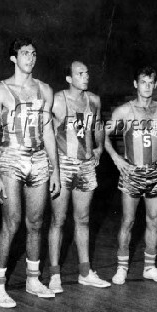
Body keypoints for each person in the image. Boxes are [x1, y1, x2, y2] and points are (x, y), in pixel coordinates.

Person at [0, 37, 60, 308]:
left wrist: (54, 169)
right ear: (13, 58)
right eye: (25, 53)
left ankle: (33, 279)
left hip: (39, 157)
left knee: (37, 222)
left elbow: (48, 131)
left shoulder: (45, 90)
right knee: (12, 221)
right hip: (11, 157)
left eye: (34, 53)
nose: (31, 57)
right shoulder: (0, 91)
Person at [105, 65, 157, 285]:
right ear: (135, 84)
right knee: (128, 221)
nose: (147, 86)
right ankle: (121, 268)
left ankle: (149, 268)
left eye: (151, 83)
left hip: (155, 173)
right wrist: (116, 157)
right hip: (132, 172)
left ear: (155, 85)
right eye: (143, 82)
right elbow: (101, 134)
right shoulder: (124, 110)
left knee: (153, 220)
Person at [48, 61, 110, 293]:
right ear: (68, 78)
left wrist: (100, 147)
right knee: (58, 220)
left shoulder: (94, 100)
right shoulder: (57, 99)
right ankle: (54, 275)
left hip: (85, 165)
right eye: (80, 73)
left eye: (87, 72)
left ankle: (85, 272)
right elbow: (45, 130)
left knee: (83, 219)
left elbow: (99, 125)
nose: (85, 76)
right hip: (63, 164)